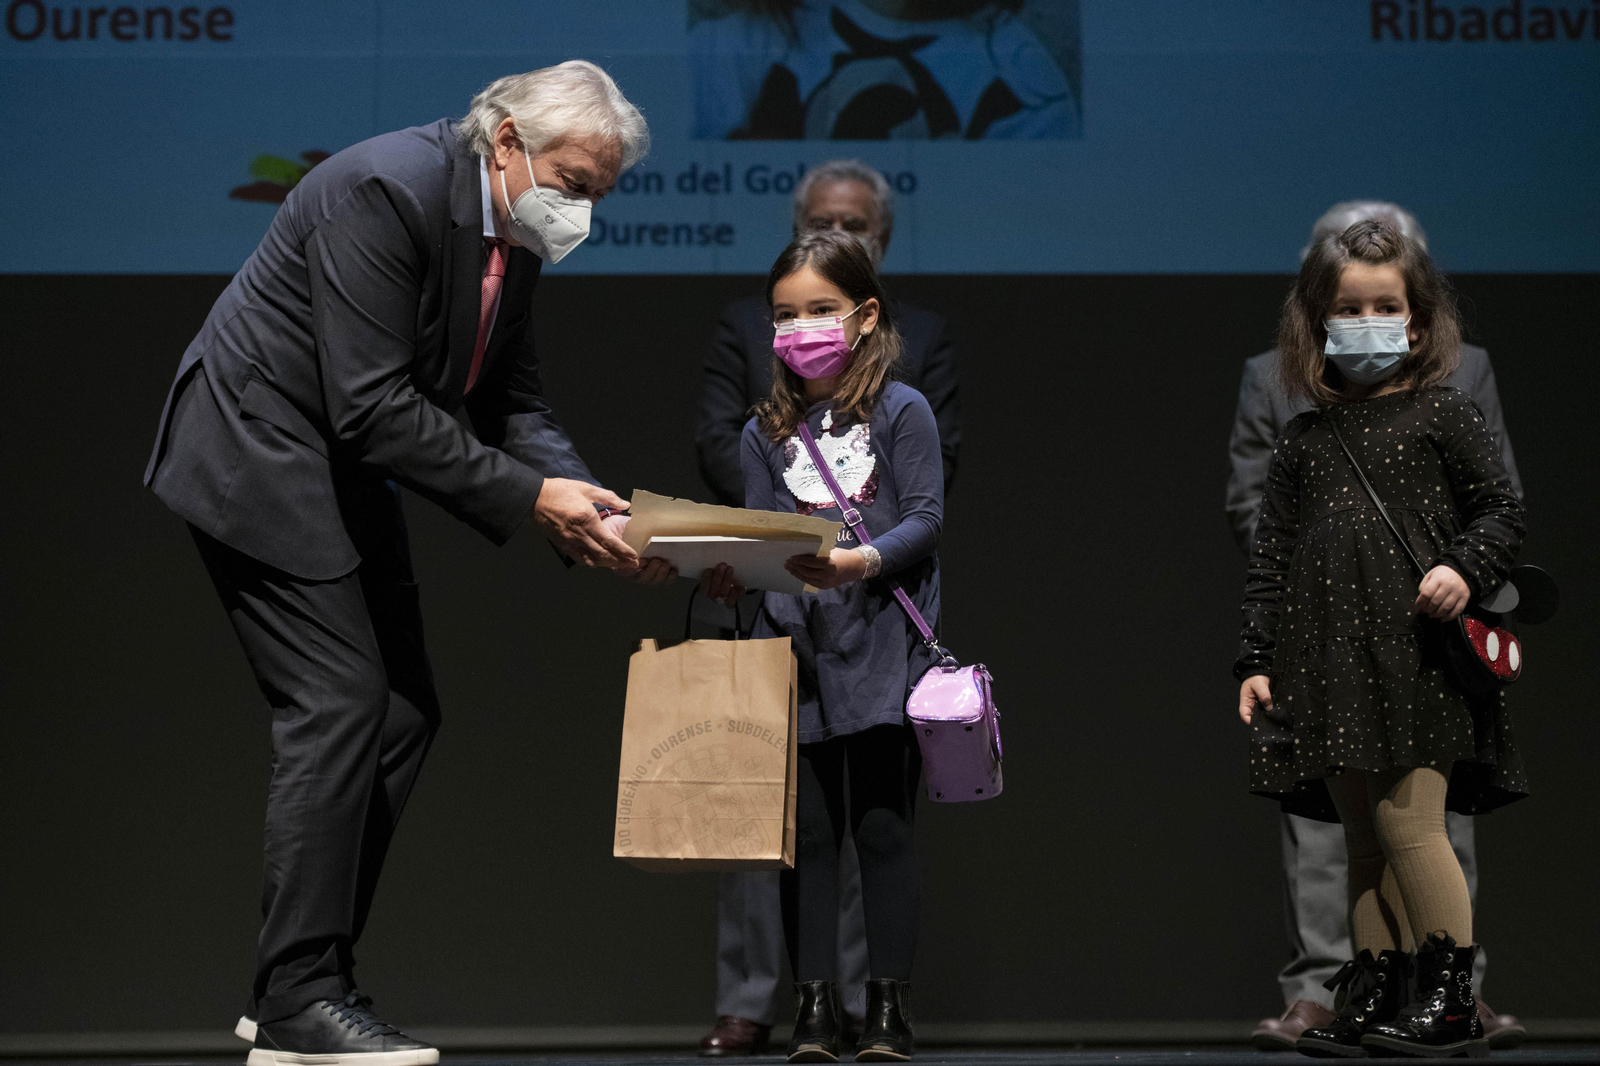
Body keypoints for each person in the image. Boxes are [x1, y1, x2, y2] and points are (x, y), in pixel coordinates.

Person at [144, 62, 672, 1065]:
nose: (582, 213)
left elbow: (511, 401)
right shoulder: (382, 187)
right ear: (507, 141)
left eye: (598, 194)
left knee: (401, 708)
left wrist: (590, 509)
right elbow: (371, 404)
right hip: (257, 448)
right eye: (574, 182)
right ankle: (300, 996)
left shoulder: (509, 233)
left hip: (337, 459)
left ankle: (296, 983)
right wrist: (532, 500)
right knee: (341, 701)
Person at [1228, 202, 1526, 1052]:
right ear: (1317, 321)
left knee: (1411, 825)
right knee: (1360, 836)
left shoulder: (1446, 414)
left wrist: (1462, 569)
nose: (1368, 322)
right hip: (1330, 662)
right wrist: (1256, 658)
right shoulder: (1304, 440)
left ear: (1420, 318)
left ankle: (1451, 995)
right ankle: (1380, 987)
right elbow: (1271, 560)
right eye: (1350, 309)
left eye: (1385, 306)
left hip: (1419, 659)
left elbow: (1502, 513)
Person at [694, 159, 958, 1057]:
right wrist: (736, 570)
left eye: (820, 310)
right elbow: (768, 533)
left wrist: (861, 561)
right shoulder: (762, 431)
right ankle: (809, 1005)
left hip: (882, 646)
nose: (801, 328)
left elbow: (926, 515)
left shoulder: (904, 410)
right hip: (794, 652)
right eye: (785, 314)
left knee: (882, 832)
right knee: (804, 838)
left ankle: (886, 1005)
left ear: (866, 315)